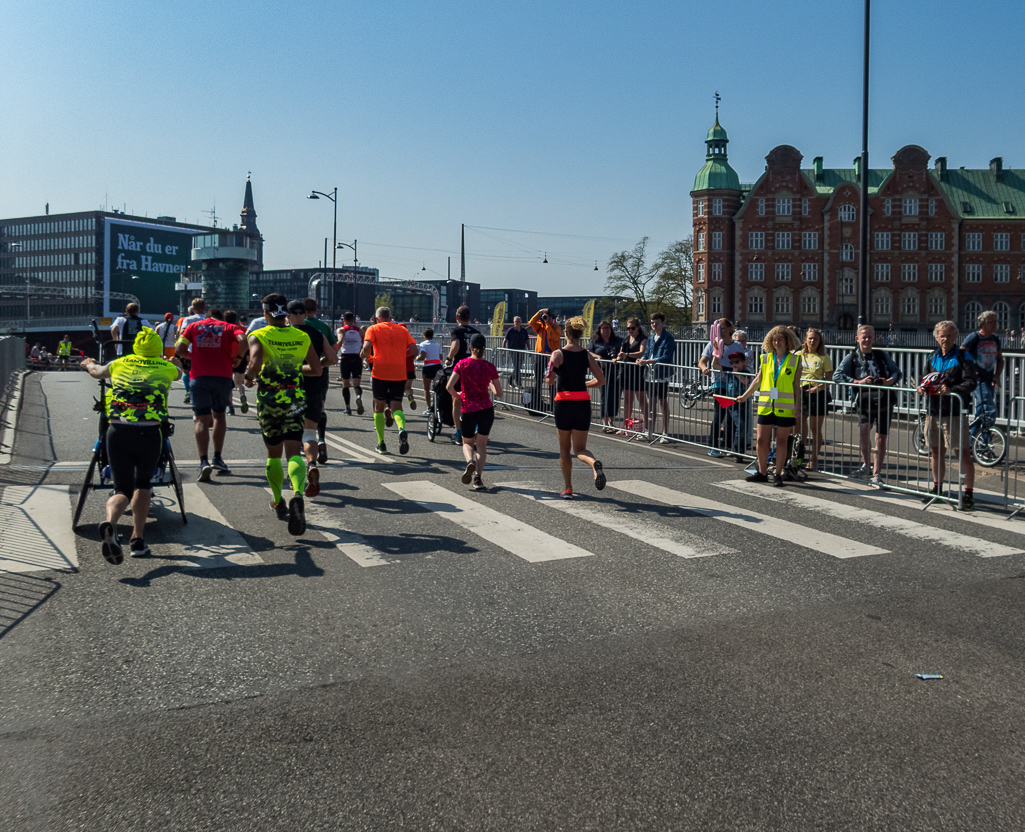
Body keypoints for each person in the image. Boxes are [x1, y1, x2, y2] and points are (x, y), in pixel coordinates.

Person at [81, 328, 182, 562]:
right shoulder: (165, 368)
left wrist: (88, 363)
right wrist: (175, 362)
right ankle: (137, 540)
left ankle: (111, 523)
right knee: (143, 484)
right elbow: (179, 372)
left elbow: (97, 372)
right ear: (157, 348)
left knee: (122, 489)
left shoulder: (120, 363)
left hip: (118, 431)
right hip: (149, 432)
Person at [243, 294, 322, 535]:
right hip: (295, 397)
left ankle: (278, 500)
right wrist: (295, 368)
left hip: (269, 399)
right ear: (286, 314)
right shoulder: (302, 335)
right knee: (293, 450)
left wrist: (248, 379)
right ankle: (297, 493)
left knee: (273, 454)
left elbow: (255, 363)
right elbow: (317, 369)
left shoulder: (260, 334)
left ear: (266, 313)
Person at [176, 307, 245, 481]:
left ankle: (203, 461)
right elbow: (243, 338)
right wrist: (239, 357)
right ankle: (217, 458)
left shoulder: (194, 327)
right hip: (222, 377)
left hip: (199, 377)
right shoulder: (229, 327)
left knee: (201, 419)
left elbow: (178, 348)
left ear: (207, 318)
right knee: (219, 416)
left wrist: (190, 355)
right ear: (221, 318)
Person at [918, 320, 977, 511]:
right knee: (936, 452)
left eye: (950, 335)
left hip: (955, 412)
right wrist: (922, 388)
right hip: (934, 411)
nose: (946, 339)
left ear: (955, 337)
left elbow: (971, 382)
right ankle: (938, 490)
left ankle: (968, 494)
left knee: (962, 454)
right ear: (936, 337)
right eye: (942, 335)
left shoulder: (963, 355)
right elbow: (926, 378)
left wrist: (952, 389)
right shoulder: (932, 356)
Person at [546, 315, 607, 498]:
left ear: (565, 332)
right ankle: (594, 463)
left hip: (563, 403)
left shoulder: (558, 354)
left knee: (564, 448)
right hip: (582, 403)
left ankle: (568, 488)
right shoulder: (586, 355)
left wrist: (553, 376)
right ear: (580, 334)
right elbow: (601, 380)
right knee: (580, 449)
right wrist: (585, 385)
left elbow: (549, 380)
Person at [833, 324, 902, 484]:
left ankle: (877, 473)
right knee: (864, 430)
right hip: (864, 401)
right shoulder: (852, 357)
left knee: (881, 438)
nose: (867, 339)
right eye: (864, 336)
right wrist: (858, 381)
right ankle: (866, 465)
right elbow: (837, 375)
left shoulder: (882, 355)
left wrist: (889, 381)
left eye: (870, 337)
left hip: (884, 399)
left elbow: (897, 372)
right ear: (857, 338)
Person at [737, 326, 802, 486]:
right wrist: (745, 396)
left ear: (787, 342)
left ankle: (778, 474)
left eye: (780, 339)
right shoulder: (765, 358)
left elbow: (796, 385)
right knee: (761, 440)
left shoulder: (795, 360)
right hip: (766, 405)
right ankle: (762, 472)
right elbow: (758, 380)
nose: (777, 342)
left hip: (785, 407)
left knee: (781, 441)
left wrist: (797, 406)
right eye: (774, 339)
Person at [286, 300, 338, 497]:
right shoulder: (317, 333)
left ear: (288, 316)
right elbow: (333, 359)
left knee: (291, 438)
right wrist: (318, 365)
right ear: (305, 314)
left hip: (289, 390)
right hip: (314, 388)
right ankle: (312, 464)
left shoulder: (286, 334)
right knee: (309, 434)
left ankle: (295, 479)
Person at [447, 333, 502, 490]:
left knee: (467, 442)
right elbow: (499, 393)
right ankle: (478, 478)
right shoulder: (490, 367)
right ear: (484, 349)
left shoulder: (462, 364)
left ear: (470, 348)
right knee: (482, 446)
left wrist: (458, 396)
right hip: (486, 410)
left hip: (468, 408)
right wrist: (489, 385)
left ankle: (470, 461)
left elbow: (449, 386)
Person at [360, 306, 418, 454]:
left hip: (380, 371)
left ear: (377, 318)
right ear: (390, 317)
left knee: (378, 407)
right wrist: (400, 356)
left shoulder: (373, 329)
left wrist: (367, 358)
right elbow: (414, 350)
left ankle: (381, 443)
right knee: (396, 406)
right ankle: (401, 429)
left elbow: (367, 347)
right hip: (399, 372)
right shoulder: (402, 330)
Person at [699, 318, 745, 455]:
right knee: (720, 413)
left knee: (732, 415)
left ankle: (727, 444)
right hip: (719, 382)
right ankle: (713, 445)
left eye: (723, 328)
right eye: (718, 328)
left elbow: (742, 362)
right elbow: (702, 361)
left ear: (730, 329)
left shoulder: (737, 345)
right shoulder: (714, 343)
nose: (720, 330)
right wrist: (704, 368)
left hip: (734, 383)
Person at [303, 297, 339, 462]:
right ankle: (321, 438)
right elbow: (332, 350)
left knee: (297, 409)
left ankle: (303, 443)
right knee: (320, 406)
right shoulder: (322, 326)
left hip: (297, 371)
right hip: (320, 371)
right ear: (316, 309)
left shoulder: (292, 327)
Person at [797, 328, 833, 471]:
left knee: (815, 428)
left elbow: (829, 380)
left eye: (815, 339)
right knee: (799, 427)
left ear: (820, 341)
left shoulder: (824, 357)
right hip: (800, 392)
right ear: (805, 340)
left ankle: (814, 460)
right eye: (810, 338)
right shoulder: (799, 355)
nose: (812, 341)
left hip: (817, 393)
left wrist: (818, 388)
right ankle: (799, 456)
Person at [637, 312, 676, 442]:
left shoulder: (668, 337)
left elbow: (666, 357)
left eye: (656, 322)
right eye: (652, 322)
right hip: (650, 374)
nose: (654, 324)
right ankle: (649, 431)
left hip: (661, 374)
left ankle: (665, 432)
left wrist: (648, 361)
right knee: (650, 403)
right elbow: (647, 353)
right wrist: (641, 359)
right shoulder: (651, 337)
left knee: (662, 402)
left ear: (662, 323)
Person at [961, 310, 1003, 429]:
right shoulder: (974, 337)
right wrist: (970, 370)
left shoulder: (995, 339)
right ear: (982, 324)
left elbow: (1000, 360)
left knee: (981, 412)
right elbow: (961, 354)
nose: (995, 324)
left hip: (990, 379)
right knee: (989, 410)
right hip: (977, 380)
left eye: (996, 321)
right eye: (991, 322)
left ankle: (973, 442)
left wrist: (997, 375)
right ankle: (983, 441)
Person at [447, 306, 481, 441]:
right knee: (474, 399)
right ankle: (477, 428)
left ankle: (458, 432)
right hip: (475, 368)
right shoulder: (476, 332)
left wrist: (449, 358)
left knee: (457, 399)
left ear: (457, 317)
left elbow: (455, 346)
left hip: (461, 369)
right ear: (469, 318)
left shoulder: (456, 331)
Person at [711, 349, 752, 460]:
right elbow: (715, 365)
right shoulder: (729, 370)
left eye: (737, 362)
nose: (734, 364)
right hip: (730, 401)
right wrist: (716, 353)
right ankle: (730, 448)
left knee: (740, 427)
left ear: (744, 362)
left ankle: (738, 451)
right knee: (729, 426)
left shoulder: (746, 372)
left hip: (740, 403)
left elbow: (746, 381)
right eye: (732, 362)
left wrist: (736, 374)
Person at [589, 320, 622, 433]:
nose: (606, 330)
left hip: (616, 372)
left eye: (608, 328)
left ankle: (611, 422)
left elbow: (624, 349)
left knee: (615, 397)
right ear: (600, 330)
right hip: (602, 372)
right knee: (605, 397)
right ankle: (605, 422)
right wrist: (598, 357)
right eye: (603, 328)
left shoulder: (617, 341)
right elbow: (588, 352)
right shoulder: (595, 341)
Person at [528, 307, 562, 415]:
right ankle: (537, 403)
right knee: (538, 380)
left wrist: (548, 324)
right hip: (540, 355)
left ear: (552, 318)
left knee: (551, 382)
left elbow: (554, 337)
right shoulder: (540, 327)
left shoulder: (557, 328)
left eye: (548, 316)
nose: (545, 318)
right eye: (544, 317)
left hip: (552, 357)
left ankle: (553, 406)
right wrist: (539, 312)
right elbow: (531, 322)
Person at [616, 318, 647, 436]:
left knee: (641, 400)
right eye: (628, 328)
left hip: (638, 372)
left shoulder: (642, 339)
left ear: (638, 328)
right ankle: (626, 426)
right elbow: (621, 353)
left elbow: (641, 352)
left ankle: (645, 427)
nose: (630, 330)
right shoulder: (626, 339)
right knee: (628, 400)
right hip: (626, 371)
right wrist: (617, 358)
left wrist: (627, 354)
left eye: (632, 328)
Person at [176, 299, 207, 404]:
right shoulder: (210, 319)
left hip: (191, 351)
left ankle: (188, 391)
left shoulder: (188, 320)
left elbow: (182, 333)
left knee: (187, 372)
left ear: (193, 309)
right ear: (205, 308)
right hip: (208, 351)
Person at [335, 312, 365, 416]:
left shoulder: (342, 330)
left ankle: (347, 408)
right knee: (356, 384)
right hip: (357, 358)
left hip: (346, 358)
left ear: (344, 320)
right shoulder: (360, 331)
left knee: (345, 385)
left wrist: (333, 352)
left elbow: (340, 341)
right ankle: (358, 397)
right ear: (353, 320)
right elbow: (365, 344)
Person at [223, 310, 249, 414]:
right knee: (238, 382)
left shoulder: (223, 329)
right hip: (241, 357)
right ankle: (242, 395)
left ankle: (230, 407)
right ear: (236, 319)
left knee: (228, 384)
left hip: (228, 358)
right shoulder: (243, 329)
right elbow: (247, 344)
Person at [417, 328, 443, 411]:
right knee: (438, 388)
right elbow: (441, 357)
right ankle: (438, 406)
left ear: (424, 336)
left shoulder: (423, 344)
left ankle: (429, 407)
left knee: (426, 389)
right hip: (438, 367)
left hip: (428, 367)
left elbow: (423, 355)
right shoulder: (437, 344)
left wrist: (418, 358)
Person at [502, 316, 531, 387]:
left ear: (521, 322)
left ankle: (510, 379)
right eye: (515, 321)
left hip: (522, 350)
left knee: (518, 367)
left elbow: (527, 341)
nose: (517, 323)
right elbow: (505, 341)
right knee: (517, 366)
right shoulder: (511, 330)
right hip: (513, 351)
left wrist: (529, 350)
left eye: (518, 321)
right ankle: (519, 383)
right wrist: (503, 350)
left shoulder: (524, 331)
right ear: (513, 322)